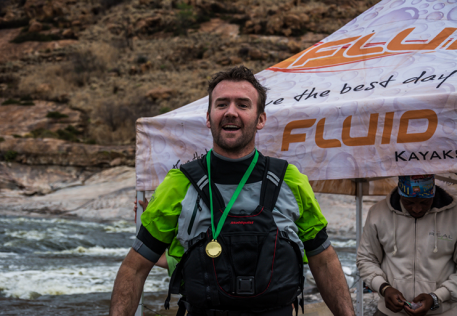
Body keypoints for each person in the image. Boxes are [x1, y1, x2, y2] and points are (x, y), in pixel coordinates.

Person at [110, 66, 355, 316]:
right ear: (208, 117)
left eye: (243, 105)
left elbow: (323, 260)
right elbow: (135, 268)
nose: (231, 112)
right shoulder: (178, 184)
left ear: (261, 119)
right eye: (221, 104)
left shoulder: (290, 180)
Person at [357, 175, 457, 316]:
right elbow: (366, 259)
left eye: (424, 202)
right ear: (400, 193)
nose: (416, 209)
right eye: (409, 202)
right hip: (389, 313)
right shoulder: (377, 213)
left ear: (433, 193)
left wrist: (437, 297)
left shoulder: (454, 215)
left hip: (444, 312)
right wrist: (384, 288)